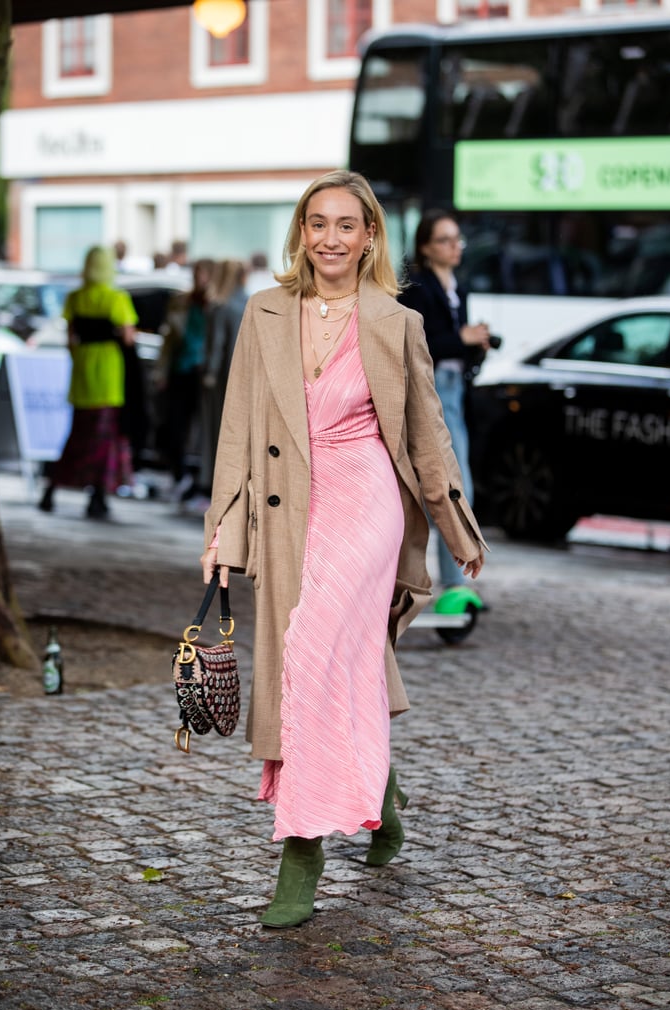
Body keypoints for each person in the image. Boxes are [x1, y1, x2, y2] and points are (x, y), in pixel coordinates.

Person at [200, 171, 486, 929]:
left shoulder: (396, 322)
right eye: (317, 223)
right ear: (301, 233)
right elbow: (235, 435)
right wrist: (224, 534)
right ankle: (379, 797)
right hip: (288, 504)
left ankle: (301, 849)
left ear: (368, 238)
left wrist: (456, 526)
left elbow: (427, 435)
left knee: (315, 654)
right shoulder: (263, 314)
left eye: (346, 225)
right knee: (339, 660)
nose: (331, 238)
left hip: (366, 503)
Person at [398, 209, 490, 590]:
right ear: (425, 247)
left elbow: (454, 347)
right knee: (452, 487)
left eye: (458, 240)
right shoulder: (418, 288)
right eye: (445, 240)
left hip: (454, 388)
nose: (455, 247)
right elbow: (418, 345)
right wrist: (462, 339)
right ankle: (454, 587)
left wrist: (476, 345)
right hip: (430, 389)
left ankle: (454, 586)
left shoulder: (457, 288)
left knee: (453, 486)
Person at [38, 246, 137, 519]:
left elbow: (70, 339)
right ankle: (98, 495)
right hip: (108, 377)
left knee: (77, 437)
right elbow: (129, 339)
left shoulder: (75, 298)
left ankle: (52, 488)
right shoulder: (117, 299)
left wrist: (81, 357)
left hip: (81, 376)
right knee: (104, 441)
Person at [157, 258, 215, 501]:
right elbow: (169, 341)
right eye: (196, 274)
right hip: (181, 370)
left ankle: (200, 479)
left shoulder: (216, 305)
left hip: (203, 374)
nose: (198, 279)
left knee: (204, 430)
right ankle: (181, 474)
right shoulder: (182, 303)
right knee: (175, 426)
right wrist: (161, 371)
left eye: (203, 274)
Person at [198, 259, 249, 503]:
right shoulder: (250, 303)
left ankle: (215, 483)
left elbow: (216, 345)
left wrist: (209, 375)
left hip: (221, 380)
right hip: (244, 379)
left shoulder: (221, 306)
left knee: (216, 431)